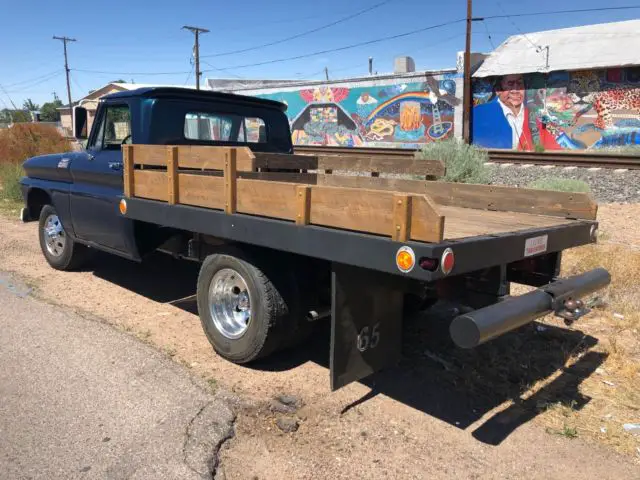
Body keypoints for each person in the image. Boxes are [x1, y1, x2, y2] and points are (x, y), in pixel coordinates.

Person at [472, 74, 560, 150]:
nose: (515, 90)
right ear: (498, 90)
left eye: (519, 83)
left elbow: (557, 145)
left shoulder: (538, 116)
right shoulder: (479, 113)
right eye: (510, 84)